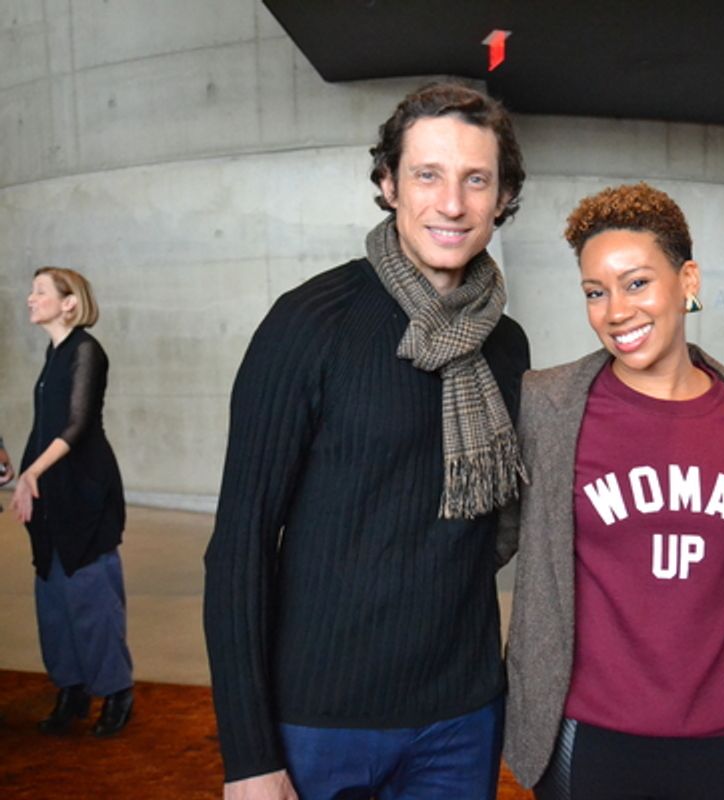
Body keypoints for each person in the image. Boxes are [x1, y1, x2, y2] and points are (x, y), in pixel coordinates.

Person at [203, 82, 530, 800]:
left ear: (503, 197)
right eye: (427, 175)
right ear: (388, 184)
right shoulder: (309, 323)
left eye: (476, 180)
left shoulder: (506, 345)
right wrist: (249, 756)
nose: (452, 203)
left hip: (461, 714)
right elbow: (239, 546)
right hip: (321, 719)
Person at [500, 183, 724, 799]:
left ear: (687, 281)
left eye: (637, 283)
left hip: (722, 742)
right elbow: (487, 538)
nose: (616, 311)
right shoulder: (549, 406)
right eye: (595, 292)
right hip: (589, 736)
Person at [12, 267, 133, 737]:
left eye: (40, 291)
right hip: (51, 491)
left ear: (69, 303)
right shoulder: (54, 354)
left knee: (92, 595)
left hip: (84, 489)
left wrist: (33, 472)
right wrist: (27, 476)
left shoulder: (86, 351)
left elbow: (77, 425)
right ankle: (72, 689)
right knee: (54, 593)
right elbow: (44, 424)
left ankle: (116, 692)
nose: (30, 298)